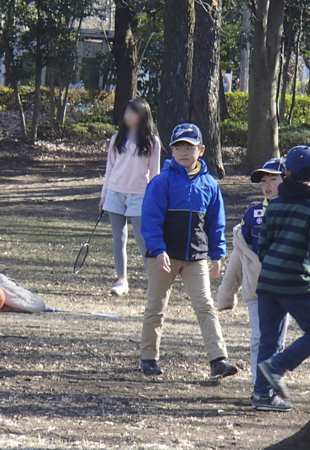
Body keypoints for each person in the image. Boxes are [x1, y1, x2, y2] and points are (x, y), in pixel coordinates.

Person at [139, 123, 238, 379]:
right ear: (171, 150)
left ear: (201, 150)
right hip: (164, 257)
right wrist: (158, 250)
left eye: (189, 147)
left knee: (206, 306)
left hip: (196, 257)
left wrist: (217, 254)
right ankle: (149, 358)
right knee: (156, 307)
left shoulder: (210, 185)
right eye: (178, 146)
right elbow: (150, 220)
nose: (183, 151)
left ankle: (218, 360)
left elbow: (216, 223)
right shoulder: (161, 182)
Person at [252, 146, 310, 412]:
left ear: (286, 173)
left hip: (267, 282)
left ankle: (261, 396)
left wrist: (274, 268)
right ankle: (277, 367)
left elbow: (262, 248)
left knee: (269, 339)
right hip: (293, 283)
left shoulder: (274, 205)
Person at [217, 158, 290, 384]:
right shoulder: (253, 213)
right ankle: (259, 383)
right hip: (256, 289)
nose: (267, 185)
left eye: (273, 179)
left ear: (286, 180)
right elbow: (240, 254)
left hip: (284, 288)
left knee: (278, 338)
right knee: (259, 336)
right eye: (263, 181)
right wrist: (227, 291)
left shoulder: (295, 211)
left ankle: (272, 380)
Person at [100, 98, 161, 296]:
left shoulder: (152, 142)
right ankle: (122, 280)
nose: (128, 116)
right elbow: (109, 169)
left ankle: (154, 283)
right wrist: (104, 195)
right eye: (126, 112)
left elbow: (155, 175)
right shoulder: (116, 139)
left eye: (133, 112)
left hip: (140, 196)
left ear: (143, 115)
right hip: (115, 193)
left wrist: (155, 202)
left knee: (143, 240)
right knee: (119, 238)